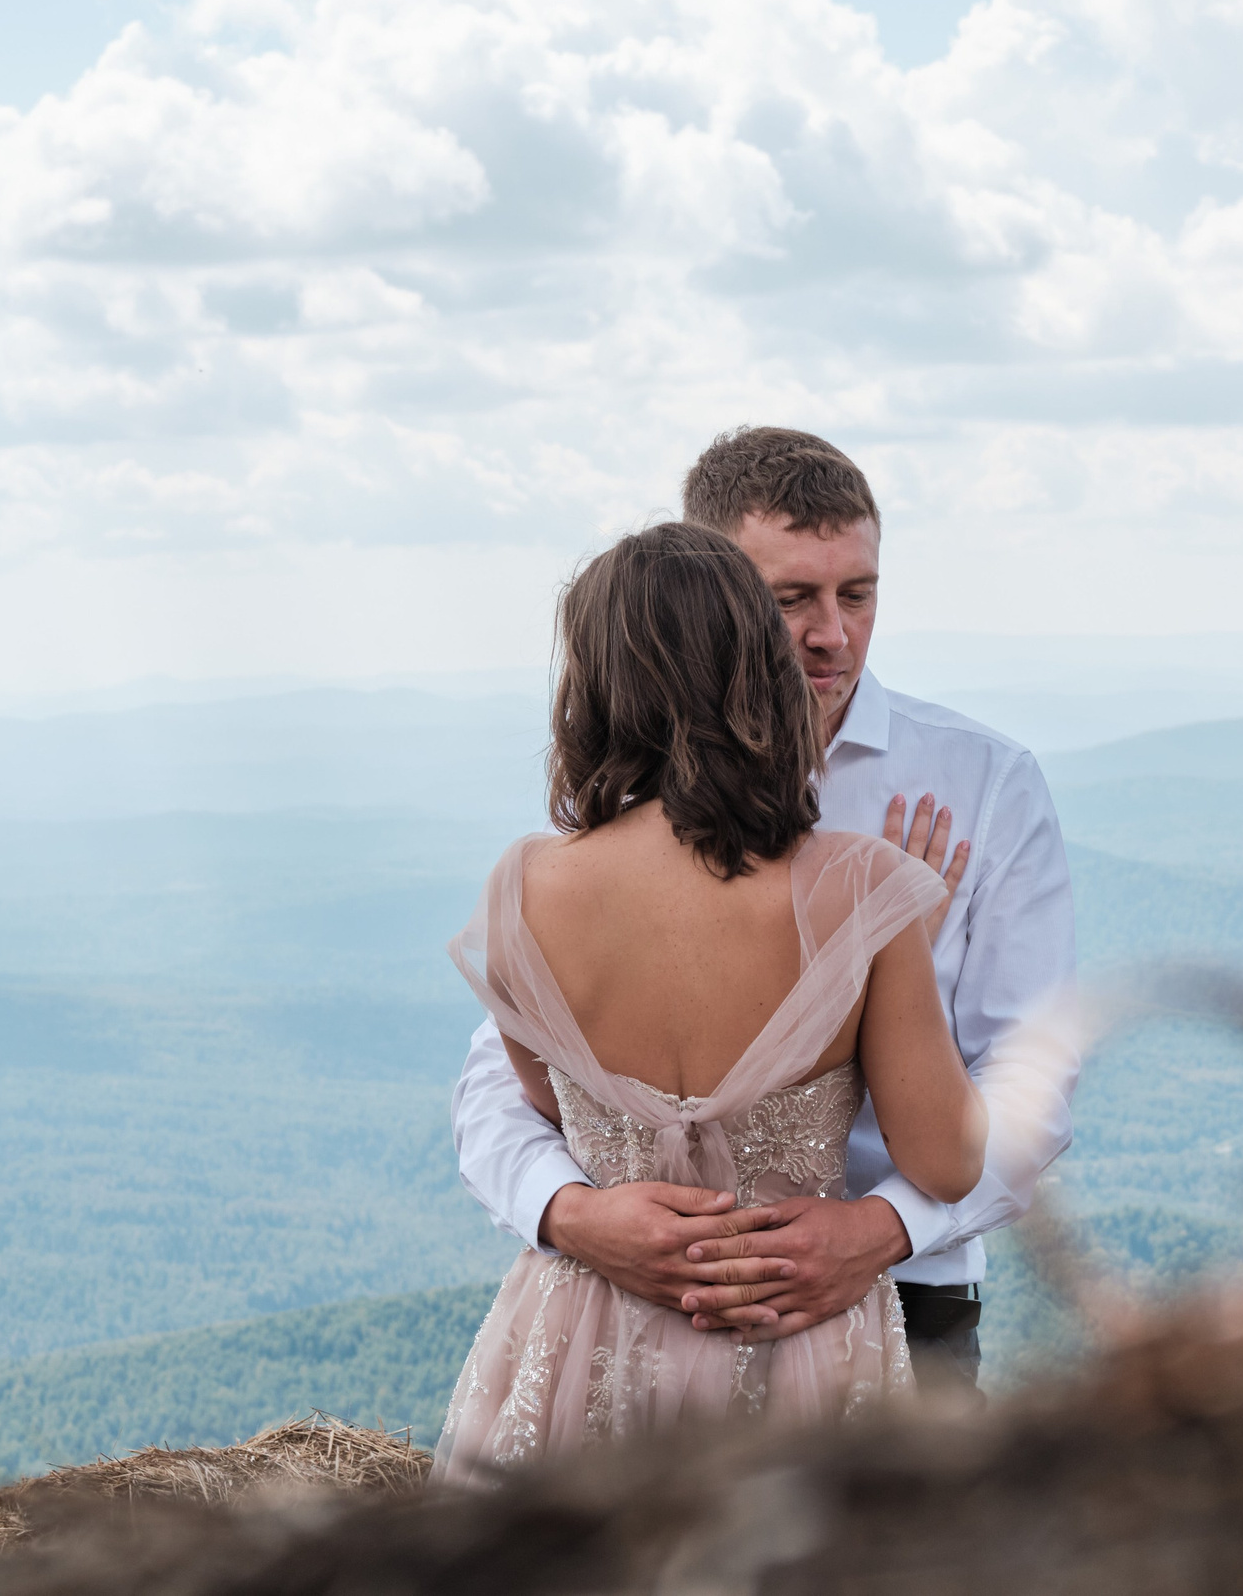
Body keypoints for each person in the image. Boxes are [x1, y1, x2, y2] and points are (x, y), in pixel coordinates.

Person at [450, 428, 1080, 1395]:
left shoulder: (986, 784)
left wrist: (883, 1229)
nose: (833, 632)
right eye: (792, 600)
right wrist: (572, 1211)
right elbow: (506, 1080)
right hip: (631, 1292)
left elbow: (1033, 1078)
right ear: (724, 604)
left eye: (858, 593)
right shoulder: (602, 841)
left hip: (903, 1293)